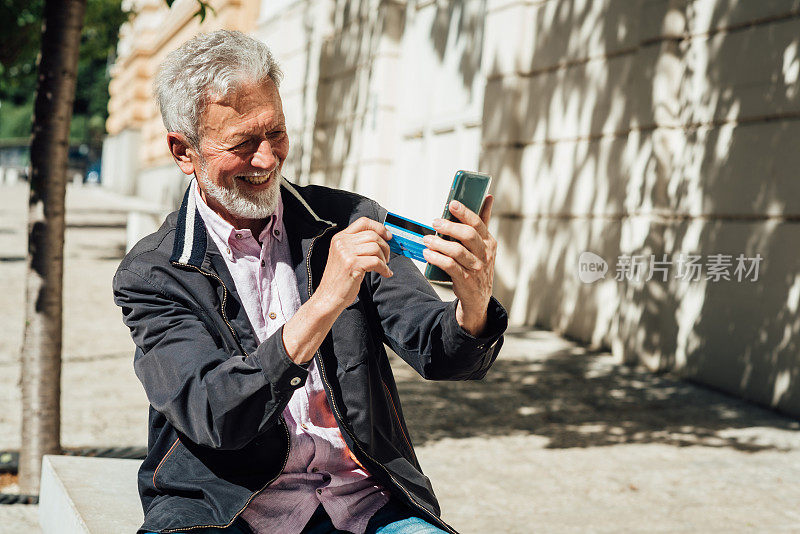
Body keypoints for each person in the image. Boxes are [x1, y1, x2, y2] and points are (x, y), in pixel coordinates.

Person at [113, 30, 507, 534]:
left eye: (275, 133)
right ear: (183, 152)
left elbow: (440, 353)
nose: (267, 159)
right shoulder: (153, 273)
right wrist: (323, 304)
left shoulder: (349, 218)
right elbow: (217, 414)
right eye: (242, 143)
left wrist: (473, 304)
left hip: (365, 500)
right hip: (227, 510)